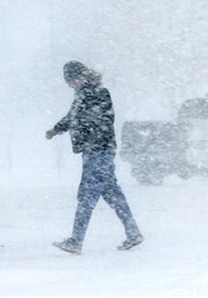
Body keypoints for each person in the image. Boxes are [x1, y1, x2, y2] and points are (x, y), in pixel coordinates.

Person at [46, 61, 143, 254]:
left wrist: (87, 131)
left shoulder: (99, 93)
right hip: (94, 151)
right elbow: (72, 117)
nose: (72, 85)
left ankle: (76, 241)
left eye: (73, 80)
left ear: (83, 75)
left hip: (99, 151)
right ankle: (133, 232)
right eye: (69, 82)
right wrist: (56, 130)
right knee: (111, 193)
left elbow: (102, 120)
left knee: (87, 196)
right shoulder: (82, 95)